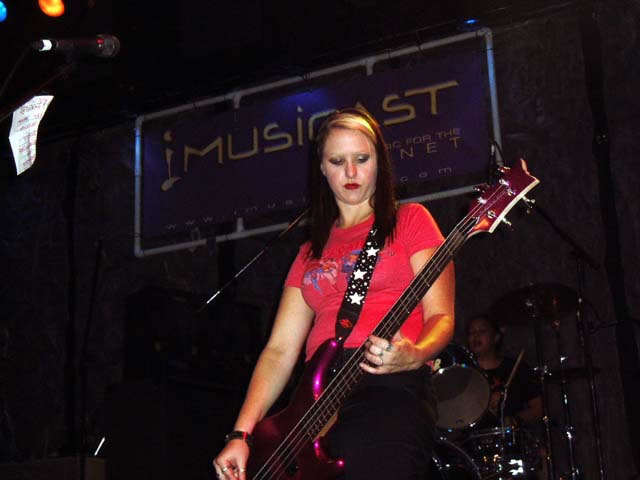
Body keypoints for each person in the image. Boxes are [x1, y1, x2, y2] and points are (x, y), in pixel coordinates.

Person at [212, 107, 455, 479]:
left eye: (362, 159)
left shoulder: (409, 221)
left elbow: (441, 316)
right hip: (316, 398)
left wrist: (415, 353)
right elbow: (279, 350)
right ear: (323, 169)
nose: (351, 172)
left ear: (380, 163)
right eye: (338, 162)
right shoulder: (308, 253)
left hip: (387, 380)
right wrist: (241, 434)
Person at [466, 314, 542, 429]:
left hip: (511, 436)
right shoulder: (463, 373)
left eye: (482, 331)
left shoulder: (516, 368)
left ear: (496, 337)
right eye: (471, 332)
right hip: (472, 437)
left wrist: (515, 419)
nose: (475, 336)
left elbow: (538, 408)